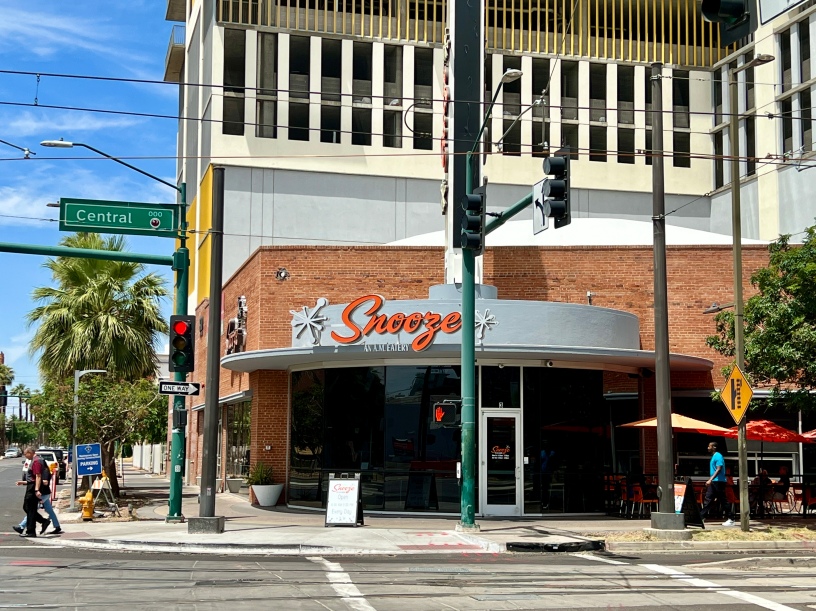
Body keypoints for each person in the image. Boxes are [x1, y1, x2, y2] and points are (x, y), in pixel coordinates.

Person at [14, 463, 62, 536]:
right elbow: (35, 481)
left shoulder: (45, 471)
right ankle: (57, 526)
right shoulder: (41, 471)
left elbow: (45, 482)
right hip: (43, 493)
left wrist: (36, 484)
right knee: (49, 511)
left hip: (43, 494)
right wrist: (23, 482)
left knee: (31, 511)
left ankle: (22, 526)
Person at [17, 447, 51, 538]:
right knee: (27, 508)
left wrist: (36, 489)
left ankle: (31, 531)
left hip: (33, 488)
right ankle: (43, 521)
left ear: (30, 452)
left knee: (30, 508)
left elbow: (38, 476)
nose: (25, 456)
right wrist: (24, 482)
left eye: (25, 454)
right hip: (31, 485)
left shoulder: (36, 461)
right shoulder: (36, 460)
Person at [700, 441, 735, 526]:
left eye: (709, 446)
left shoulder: (718, 456)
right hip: (714, 481)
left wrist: (710, 479)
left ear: (714, 447)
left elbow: (719, 469)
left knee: (723, 500)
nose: (708, 448)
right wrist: (711, 480)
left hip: (719, 481)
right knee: (708, 499)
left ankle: (731, 519)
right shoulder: (714, 456)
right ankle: (701, 517)